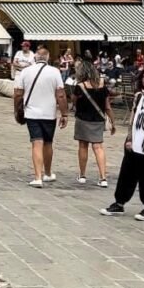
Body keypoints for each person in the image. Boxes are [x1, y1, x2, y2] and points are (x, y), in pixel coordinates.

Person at [100, 65, 144, 221]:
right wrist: (130, 139)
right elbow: (133, 120)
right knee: (127, 171)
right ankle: (119, 202)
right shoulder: (139, 96)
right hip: (135, 138)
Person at [15, 49, 67, 188]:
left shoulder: (26, 71)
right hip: (49, 113)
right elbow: (61, 94)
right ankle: (48, 173)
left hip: (31, 113)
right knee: (48, 143)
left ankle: (38, 177)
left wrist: (16, 110)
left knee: (36, 143)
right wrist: (64, 114)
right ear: (48, 58)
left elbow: (18, 93)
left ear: (35, 58)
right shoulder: (55, 72)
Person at [71, 62, 115, 187]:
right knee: (98, 147)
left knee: (83, 146)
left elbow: (74, 101)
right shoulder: (102, 85)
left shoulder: (80, 86)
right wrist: (113, 122)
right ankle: (103, 177)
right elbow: (107, 107)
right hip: (98, 120)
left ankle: (82, 175)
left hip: (83, 119)